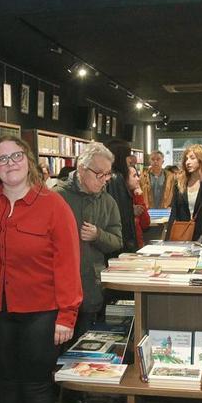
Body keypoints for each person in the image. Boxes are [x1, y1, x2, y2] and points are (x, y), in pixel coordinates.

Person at [0, 135, 82, 403]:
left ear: (29, 160)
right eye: (1, 159)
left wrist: (67, 314)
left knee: (36, 386)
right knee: (5, 382)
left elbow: (67, 261)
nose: (10, 164)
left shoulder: (53, 205)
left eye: (16, 156)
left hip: (41, 311)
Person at [53, 142, 123, 338]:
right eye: (99, 174)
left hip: (91, 287)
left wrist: (98, 236)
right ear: (81, 169)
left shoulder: (108, 201)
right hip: (58, 291)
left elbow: (118, 240)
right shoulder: (56, 197)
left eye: (108, 174)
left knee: (84, 350)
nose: (104, 180)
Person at [166, 145, 202, 241]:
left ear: (201, 160)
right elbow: (174, 212)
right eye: (186, 159)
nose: (188, 162)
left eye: (192, 158)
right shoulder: (180, 183)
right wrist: (168, 238)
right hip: (182, 233)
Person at [104, 138, 138, 253]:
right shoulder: (116, 179)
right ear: (121, 157)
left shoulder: (111, 178)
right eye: (128, 156)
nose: (130, 160)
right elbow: (121, 215)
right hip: (121, 243)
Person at [128, 165, 151, 248]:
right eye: (134, 176)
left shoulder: (136, 195)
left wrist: (139, 196)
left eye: (137, 175)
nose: (138, 179)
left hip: (138, 245)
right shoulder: (123, 199)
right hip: (129, 247)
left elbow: (146, 224)